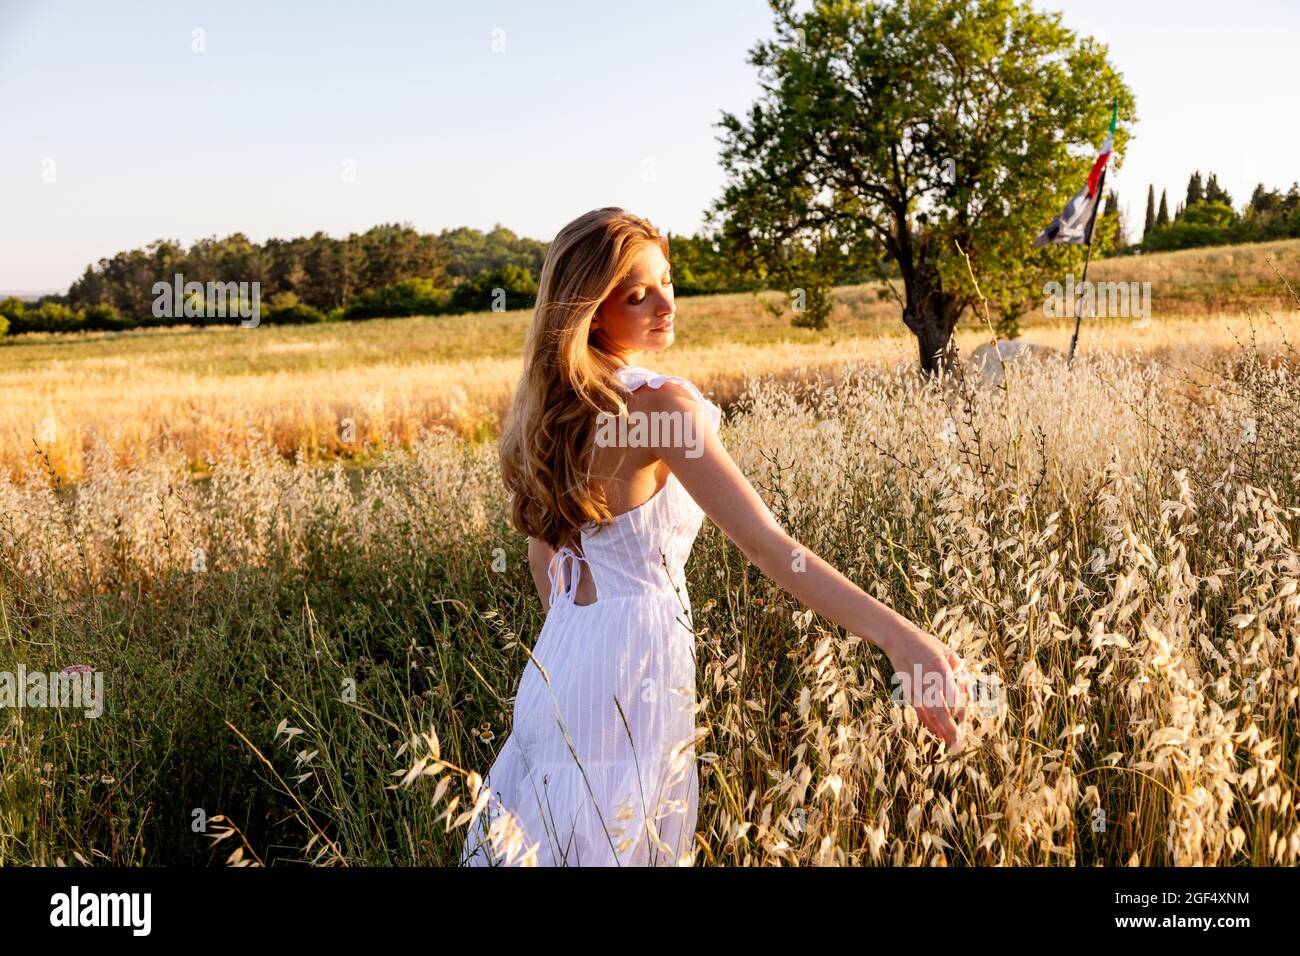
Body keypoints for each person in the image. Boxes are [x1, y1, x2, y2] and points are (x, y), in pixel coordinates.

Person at [459, 207, 969, 867]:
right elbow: (765, 544)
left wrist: (587, 636)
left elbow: (542, 561)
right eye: (636, 293)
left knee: (547, 839)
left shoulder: (555, 410)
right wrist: (900, 637)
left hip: (560, 667)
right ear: (589, 310)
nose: (664, 302)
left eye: (666, 281)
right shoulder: (661, 408)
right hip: (633, 669)